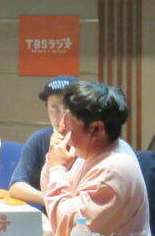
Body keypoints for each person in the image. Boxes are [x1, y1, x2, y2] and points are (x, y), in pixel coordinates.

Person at [41, 81, 150, 236]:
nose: (62, 124)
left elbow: (67, 226)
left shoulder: (114, 170)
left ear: (96, 129)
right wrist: (53, 159)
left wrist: (57, 168)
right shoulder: (93, 150)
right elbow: (51, 199)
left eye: (69, 119)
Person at [9, 75, 78, 207]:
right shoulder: (39, 138)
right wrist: (53, 201)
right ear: (47, 109)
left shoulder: (91, 140)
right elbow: (16, 186)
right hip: (49, 215)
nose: (62, 114)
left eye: (67, 107)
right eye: (54, 107)